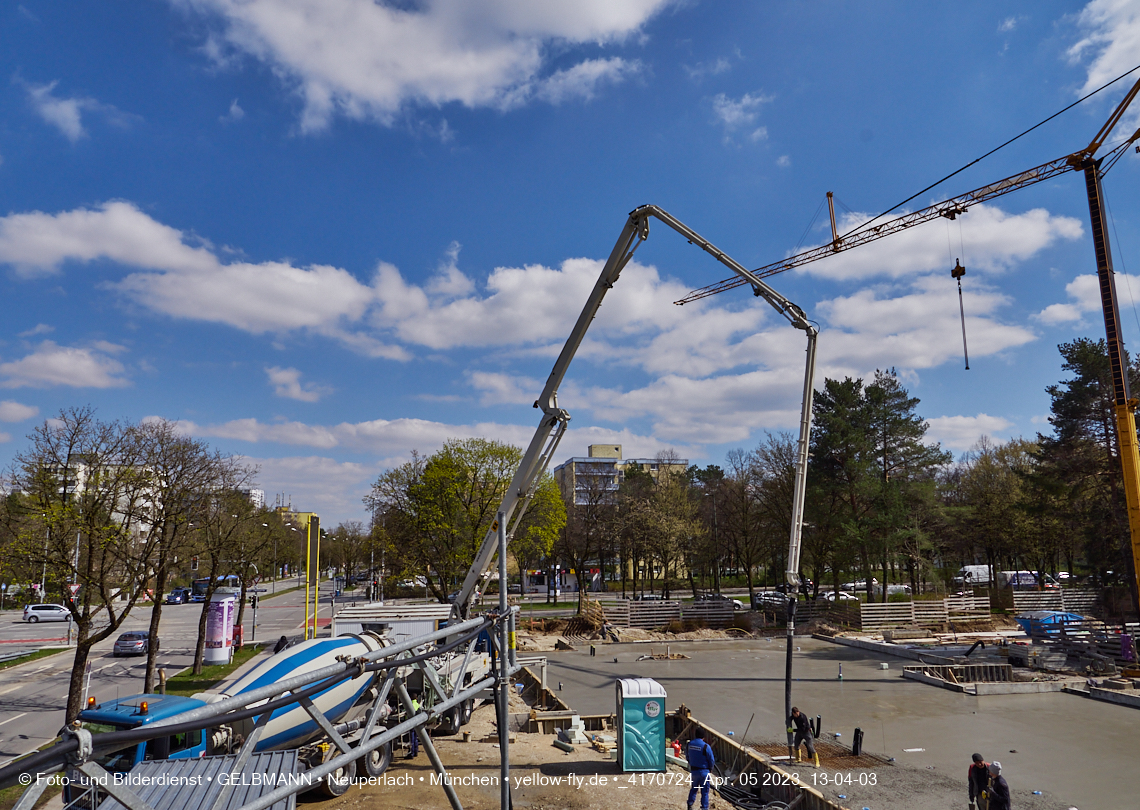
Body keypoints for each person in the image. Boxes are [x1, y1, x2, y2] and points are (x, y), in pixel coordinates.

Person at [686, 728, 716, 810]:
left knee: (694, 788)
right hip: (704, 772)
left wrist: (691, 763)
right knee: (705, 792)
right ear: (704, 736)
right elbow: (711, 760)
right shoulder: (706, 746)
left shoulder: (690, 744)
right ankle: (704, 807)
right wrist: (711, 768)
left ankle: (690, 804)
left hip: (694, 771)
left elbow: (687, 756)